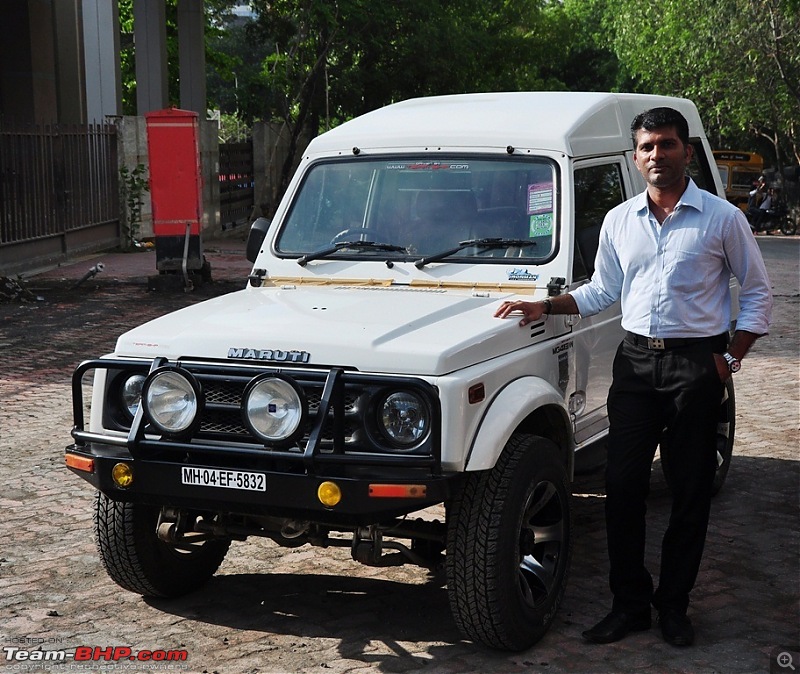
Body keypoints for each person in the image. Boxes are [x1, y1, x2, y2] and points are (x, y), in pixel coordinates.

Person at [494, 107, 773, 647]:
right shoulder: (621, 220)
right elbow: (603, 291)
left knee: (689, 491)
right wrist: (545, 307)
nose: (655, 156)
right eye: (646, 147)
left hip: (697, 367)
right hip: (637, 365)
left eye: (666, 145)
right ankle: (630, 605)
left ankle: (674, 607)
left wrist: (730, 359)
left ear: (685, 152)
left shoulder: (722, 219)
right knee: (622, 488)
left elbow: (758, 290)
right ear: (636, 155)